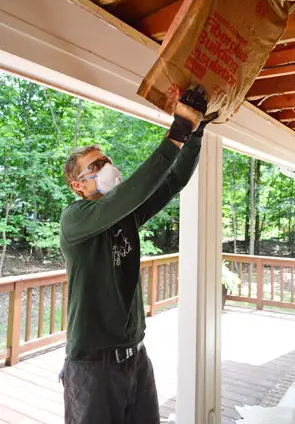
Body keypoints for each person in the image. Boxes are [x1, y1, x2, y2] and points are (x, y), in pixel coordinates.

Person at [59, 86, 216, 424]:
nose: (107, 166)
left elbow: (173, 181)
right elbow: (131, 192)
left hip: (136, 358)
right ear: (79, 185)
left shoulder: (126, 215)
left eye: (107, 160)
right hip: (93, 367)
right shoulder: (75, 219)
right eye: (96, 165)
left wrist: (197, 134)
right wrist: (177, 134)